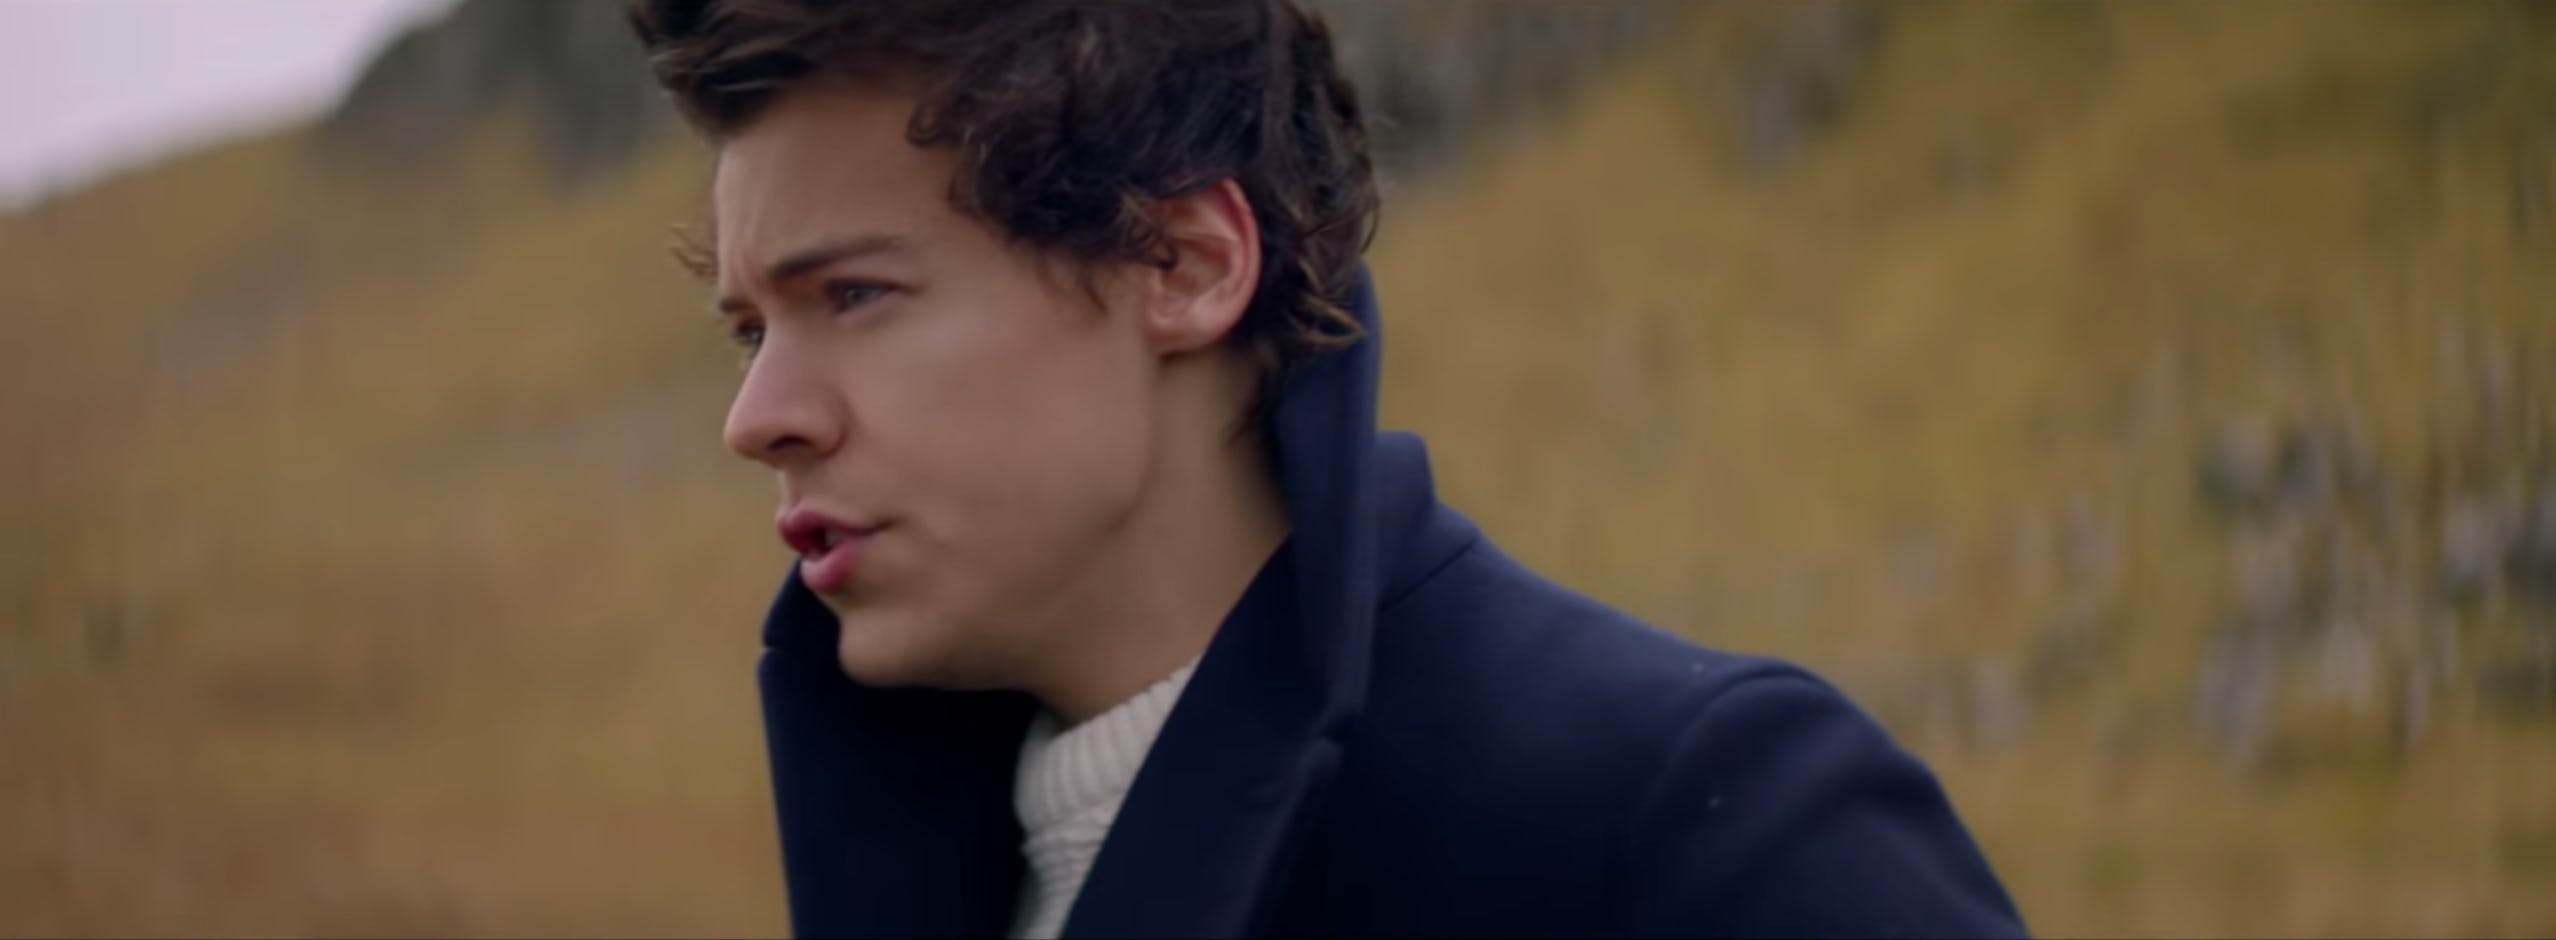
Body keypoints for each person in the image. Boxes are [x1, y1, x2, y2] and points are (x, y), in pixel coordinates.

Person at [626, 1, 2026, 936]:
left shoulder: (1693, 829)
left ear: (1184, 266)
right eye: (751, 329)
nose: (757, 416)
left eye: (855, 296)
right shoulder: (933, 849)